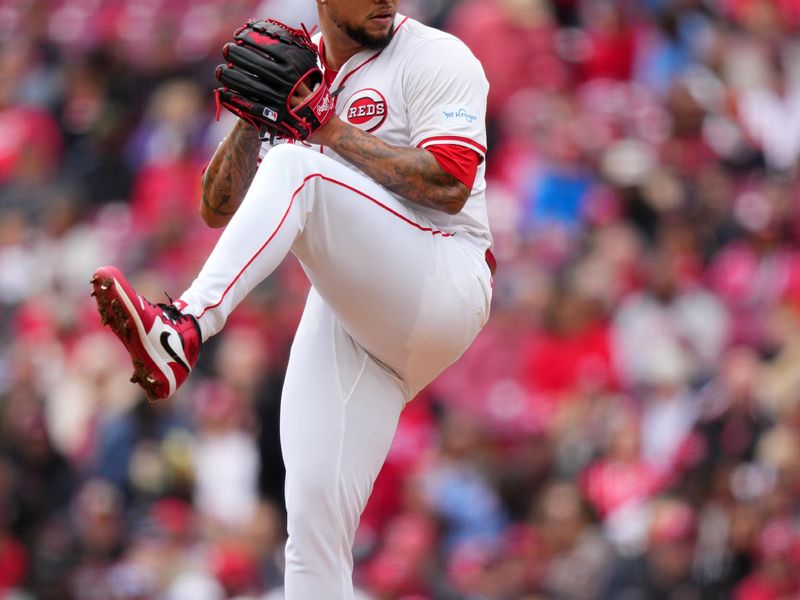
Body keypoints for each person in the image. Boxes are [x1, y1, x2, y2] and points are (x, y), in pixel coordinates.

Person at [91, 0, 493, 597]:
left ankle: (183, 328)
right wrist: (255, 117)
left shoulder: (437, 55)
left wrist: (323, 127)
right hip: (356, 319)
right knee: (310, 527)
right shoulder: (297, 64)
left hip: (445, 279)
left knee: (297, 165)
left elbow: (448, 184)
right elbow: (215, 208)